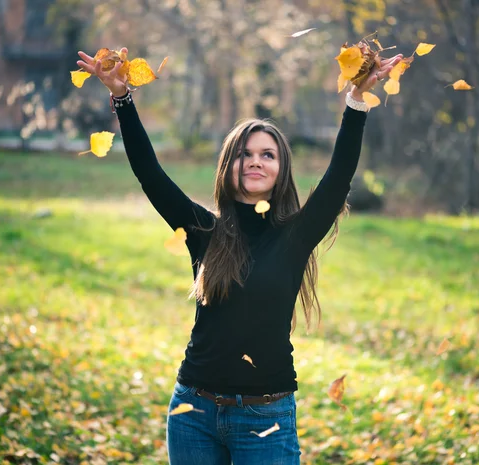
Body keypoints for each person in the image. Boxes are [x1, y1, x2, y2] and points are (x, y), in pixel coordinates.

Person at [77, 47, 402, 465]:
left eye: (267, 155)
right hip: (193, 412)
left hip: (265, 418)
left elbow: (338, 177)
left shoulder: (296, 236)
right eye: (244, 154)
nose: (255, 162)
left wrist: (356, 103)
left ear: (282, 168)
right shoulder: (204, 231)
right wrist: (122, 97)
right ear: (227, 166)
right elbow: (150, 173)